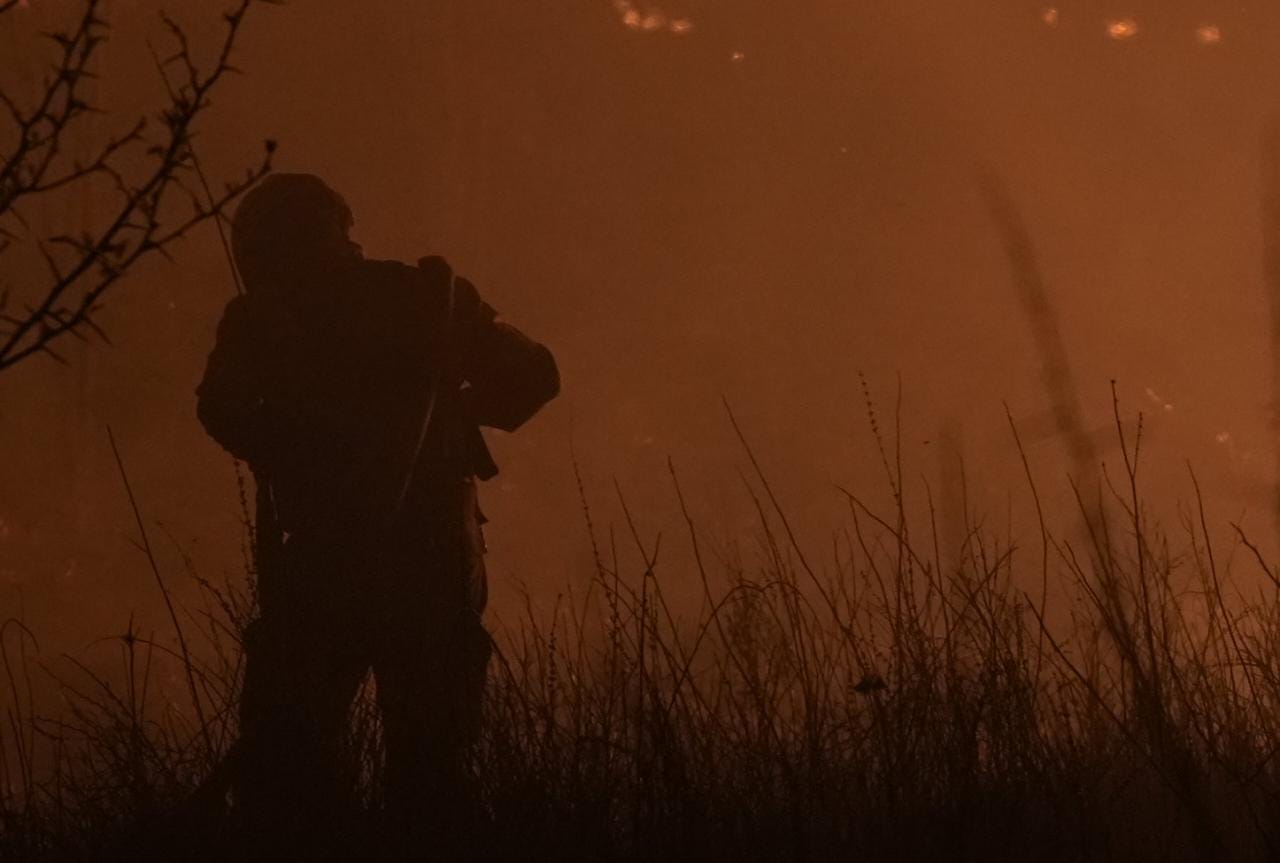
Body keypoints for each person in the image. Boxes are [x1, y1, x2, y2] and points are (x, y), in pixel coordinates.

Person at [195, 173, 559, 844]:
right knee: (427, 776)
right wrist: (455, 408)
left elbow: (221, 410)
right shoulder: (422, 296)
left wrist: (291, 441)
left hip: (325, 567)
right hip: (416, 570)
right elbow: (533, 376)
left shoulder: (268, 317)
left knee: (291, 780)